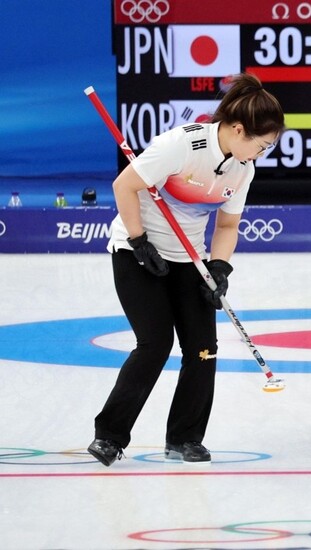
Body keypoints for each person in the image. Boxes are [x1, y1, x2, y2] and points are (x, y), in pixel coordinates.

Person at [87, 73, 285, 466]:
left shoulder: (242, 170)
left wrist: (220, 267)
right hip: (137, 249)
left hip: (188, 257)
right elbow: (124, 186)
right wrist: (140, 241)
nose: (261, 154)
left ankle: (185, 438)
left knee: (203, 349)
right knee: (155, 343)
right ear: (237, 128)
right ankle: (109, 435)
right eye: (260, 145)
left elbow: (227, 226)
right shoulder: (181, 145)